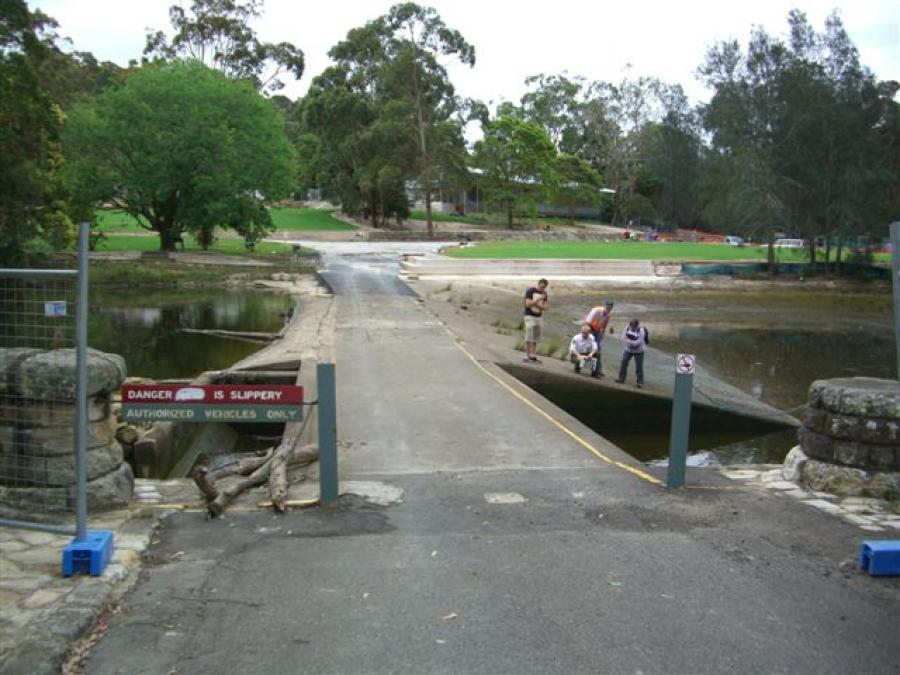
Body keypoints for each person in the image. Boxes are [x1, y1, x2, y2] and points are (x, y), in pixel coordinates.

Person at [583, 300, 614, 377]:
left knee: (598, 350)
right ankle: (581, 364)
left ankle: (597, 370)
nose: (608, 310)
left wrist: (601, 336)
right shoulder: (596, 310)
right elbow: (587, 323)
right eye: (607, 308)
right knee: (587, 347)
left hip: (598, 331)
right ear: (605, 306)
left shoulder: (608, 315)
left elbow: (604, 326)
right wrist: (587, 334)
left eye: (610, 309)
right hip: (590, 328)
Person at [615, 318, 649, 387]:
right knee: (624, 362)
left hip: (639, 351)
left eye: (634, 327)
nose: (632, 328)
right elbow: (623, 337)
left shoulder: (641, 331)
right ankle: (621, 378)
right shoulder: (627, 328)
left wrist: (629, 342)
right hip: (628, 349)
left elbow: (638, 342)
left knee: (639, 366)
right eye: (632, 326)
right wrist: (627, 343)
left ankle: (640, 382)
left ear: (637, 326)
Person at [522, 278, 549, 363]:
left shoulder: (545, 294)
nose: (542, 289)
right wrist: (539, 299)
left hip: (539, 316)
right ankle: (527, 354)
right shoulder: (530, 291)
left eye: (544, 287)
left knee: (536, 336)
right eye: (541, 287)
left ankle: (533, 354)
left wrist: (537, 305)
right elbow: (527, 304)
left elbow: (545, 307)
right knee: (529, 334)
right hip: (529, 315)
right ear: (538, 284)